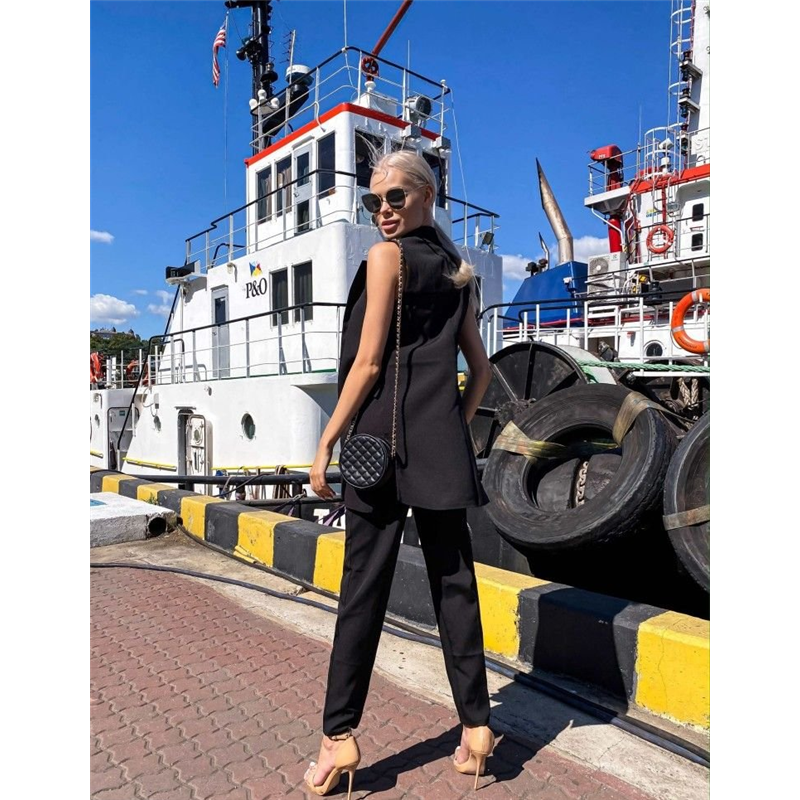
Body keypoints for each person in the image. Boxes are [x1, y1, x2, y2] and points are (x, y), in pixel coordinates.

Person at [305, 150, 501, 797]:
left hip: (376, 450)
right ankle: (476, 728)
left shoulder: (386, 258)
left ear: (425, 196)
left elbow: (366, 367)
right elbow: (482, 369)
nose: (382, 211)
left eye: (394, 197)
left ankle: (338, 737)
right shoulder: (458, 272)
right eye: (373, 202)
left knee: (363, 590)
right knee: (455, 586)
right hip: (439, 448)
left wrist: (325, 442)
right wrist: (451, 423)